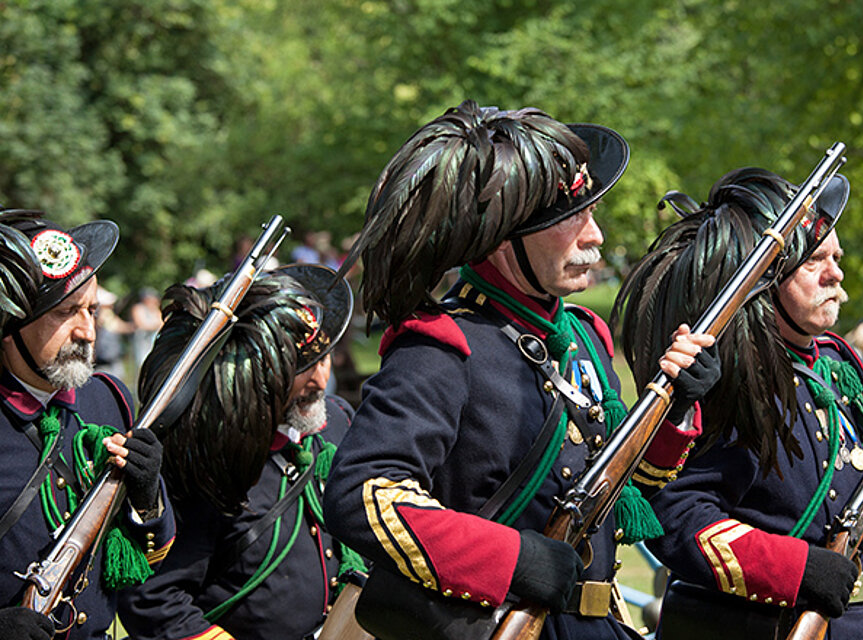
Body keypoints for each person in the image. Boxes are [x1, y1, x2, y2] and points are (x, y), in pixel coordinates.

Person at [323, 100, 719, 640]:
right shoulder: (442, 346)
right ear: (505, 236)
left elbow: (624, 486)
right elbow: (362, 492)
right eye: (571, 219)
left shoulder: (585, 338)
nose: (594, 236)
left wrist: (675, 409)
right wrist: (511, 558)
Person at [612, 169, 863, 639]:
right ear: (768, 277)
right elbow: (674, 514)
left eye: (835, 257)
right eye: (815, 260)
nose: (835, 273)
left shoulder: (837, 364)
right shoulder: (727, 377)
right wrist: (796, 570)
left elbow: (842, 494)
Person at [117, 264, 364, 640]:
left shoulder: (338, 424)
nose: (320, 380)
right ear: (257, 373)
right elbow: (154, 601)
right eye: (303, 367)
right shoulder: (208, 463)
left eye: (323, 358)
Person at [0, 210, 174, 640]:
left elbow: (151, 560)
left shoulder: (106, 400)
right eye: (66, 312)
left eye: (91, 309)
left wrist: (147, 498)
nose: (88, 331)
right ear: (10, 324)